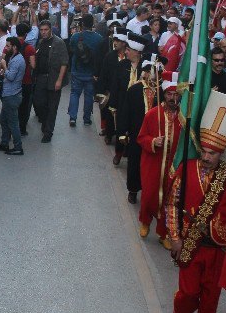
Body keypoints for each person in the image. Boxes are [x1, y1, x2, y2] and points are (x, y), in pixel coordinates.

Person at [167, 102, 226, 313]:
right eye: (205, 151)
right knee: (188, 292)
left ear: (221, 154)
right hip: (191, 243)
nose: (208, 157)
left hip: (219, 250)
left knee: (211, 297)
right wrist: (175, 238)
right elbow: (172, 204)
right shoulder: (187, 169)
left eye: (213, 153)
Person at [113, 32, 158, 205]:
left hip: (152, 134)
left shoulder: (159, 93)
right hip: (134, 128)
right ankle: (133, 189)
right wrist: (122, 132)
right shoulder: (133, 87)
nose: (149, 75)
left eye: (152, 73)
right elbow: (123, 108)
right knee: (134, 162)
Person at [137, 79, 181, 246]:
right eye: (170, 94)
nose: (172, 98)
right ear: (164, 95)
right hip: (152, 164)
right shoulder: (152, 114)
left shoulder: (183, 119)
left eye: (176, 95)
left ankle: (163, 233)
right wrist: (153, 141)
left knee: (169, 200)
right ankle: (145, 221)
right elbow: (141, 138)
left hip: (172, 166)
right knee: (149, 195)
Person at [32, 19, 69, 142]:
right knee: (39, 103)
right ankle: (45, 122)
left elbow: (64, 62)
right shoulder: (40, 42)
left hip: (54, 78)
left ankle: (48, 132)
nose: (43, 32)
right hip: (41, 78)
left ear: (50, 30)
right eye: (41, 30)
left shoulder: (59, 43)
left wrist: (59, 80)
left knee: (52, 107)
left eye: (46, 30)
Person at [0, 36, 26, 155]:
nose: (5, 48)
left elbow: (11, 77)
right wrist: (4, 72)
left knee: (13, 123)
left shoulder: (17, 60)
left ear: (14, 47)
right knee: (3, 120)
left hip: (12, 96)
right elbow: (10, 74)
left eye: (7, 46)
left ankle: (18, 147)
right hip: (9, 94)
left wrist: (4, 66)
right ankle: (4, 143)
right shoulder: (14, 57)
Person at [68, 14, 103, 127]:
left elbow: (72, 49)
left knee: (75, 93)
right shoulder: (98, 38)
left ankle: (73, 117)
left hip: (77, 70)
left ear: (82, 24)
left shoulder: (75, 36)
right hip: (91, 71)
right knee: (88, 95)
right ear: (92, 24)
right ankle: (87, 119)